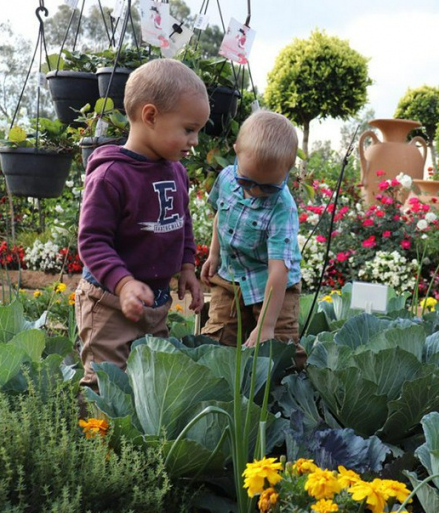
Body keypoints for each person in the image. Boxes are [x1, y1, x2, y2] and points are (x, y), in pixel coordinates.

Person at [76, 58, 208, 390]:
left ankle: (138, 444)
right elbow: (92, 242)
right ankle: (97, 442)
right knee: (105, 385)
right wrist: (123, 285)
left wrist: (188, 266)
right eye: (189, 129)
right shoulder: (110, 176)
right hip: (108, 303)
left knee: (151, 383)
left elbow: (182, 221)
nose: (194, 141)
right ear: (150, 116)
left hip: (155, 304)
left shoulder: (175, 169)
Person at [200, 110, 305, 365]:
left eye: (268, 186)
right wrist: (214, 254)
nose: (256, 191)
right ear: (236, 151)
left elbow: (278, 271)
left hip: (273, 285)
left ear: (287, 170)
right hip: (231, 277)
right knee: (219, 338)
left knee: (278, 348)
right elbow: (220, 217)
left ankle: (283, 398)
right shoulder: (226, 178)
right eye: (246, 181)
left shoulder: (283, 207)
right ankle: (222, 392)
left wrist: (267, 325)